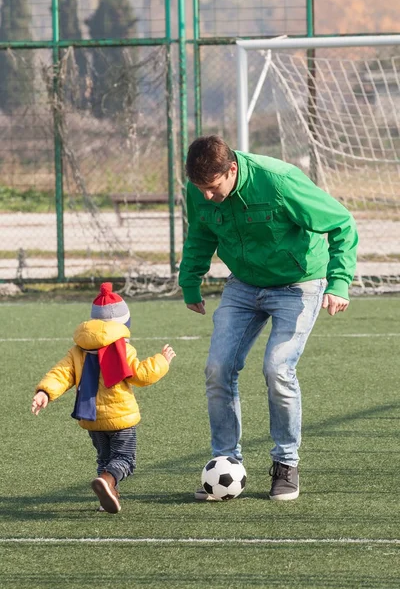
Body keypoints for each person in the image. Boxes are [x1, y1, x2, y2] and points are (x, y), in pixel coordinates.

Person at [178, 135, 358, 501]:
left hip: (299, 284)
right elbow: (200, 233)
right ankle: (227, 463)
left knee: (277, 368)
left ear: (232, 169)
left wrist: (339, 283)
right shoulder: (199, 189)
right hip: (244, 285)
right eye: (200, 189)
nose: (206, 197)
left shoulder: (278, 180)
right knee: (217, 368)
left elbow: (341, 223)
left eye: (213, 188)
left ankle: (286, 463)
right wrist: (190, 280)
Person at [31, 282, 176, 514]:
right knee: (125, 460)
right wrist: (162, 361)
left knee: (104, 458)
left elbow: (61, 374)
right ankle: (108, 482)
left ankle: (106, 496)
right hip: (121, 419)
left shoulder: (78, 350)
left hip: (91, 418)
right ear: (124, 324)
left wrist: (44, 392)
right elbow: (140, 375)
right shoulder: (122, 349)